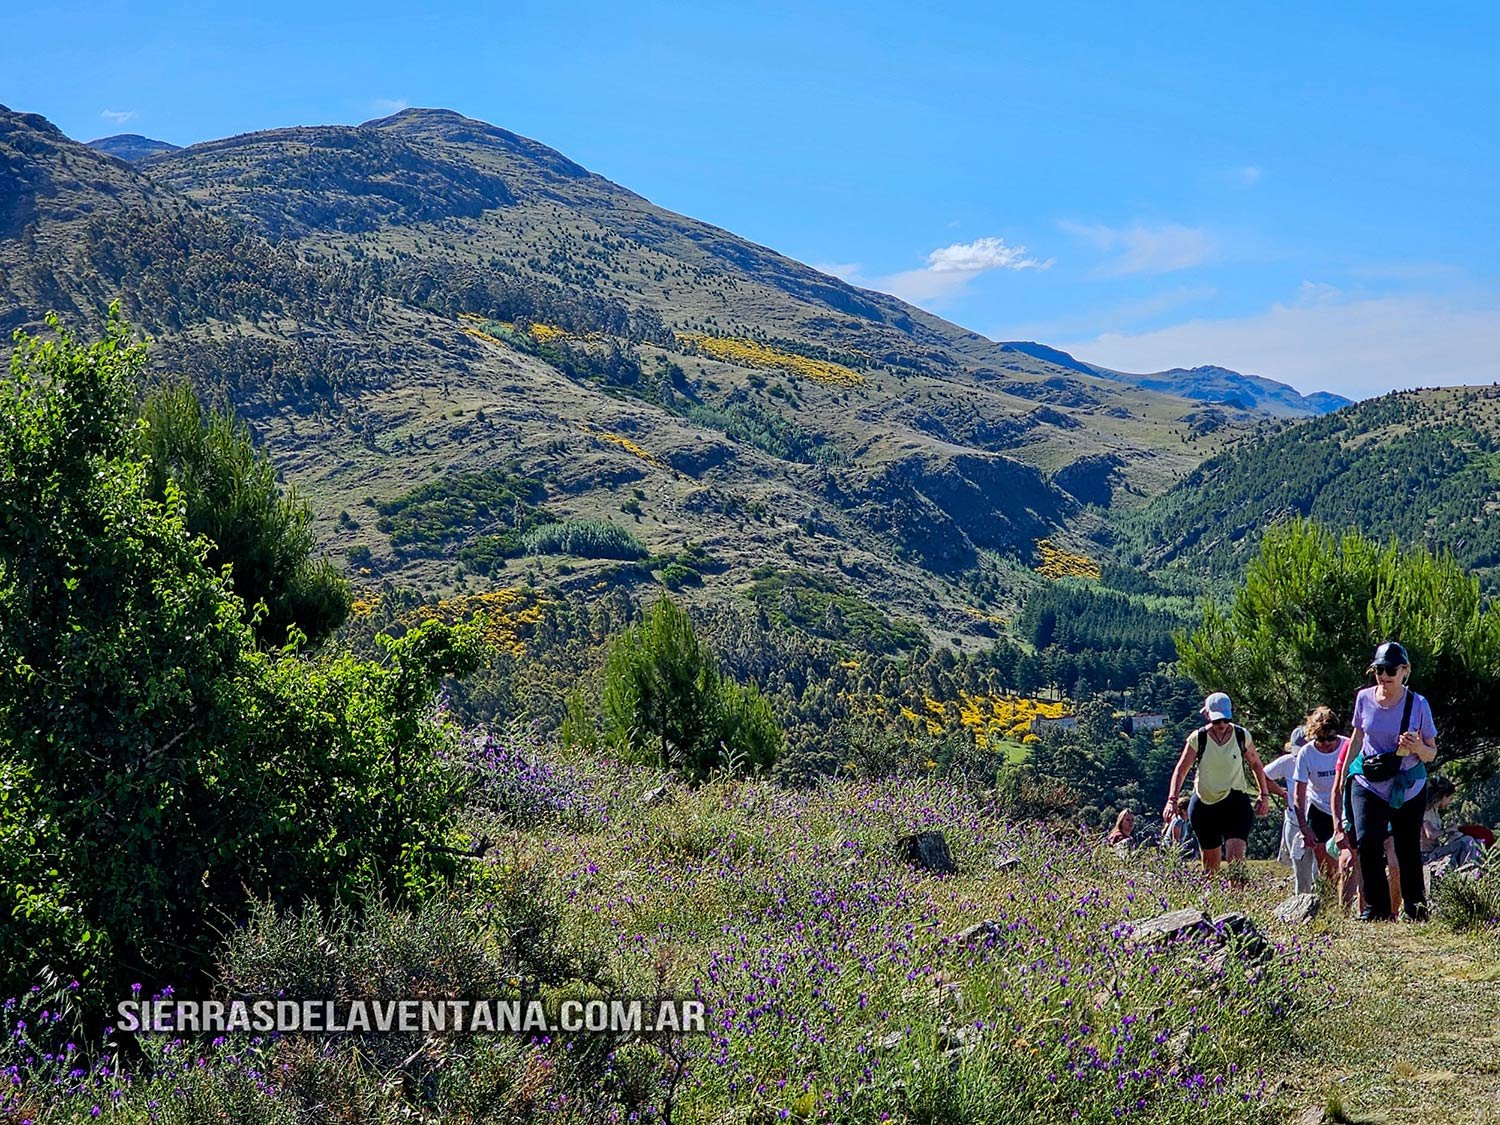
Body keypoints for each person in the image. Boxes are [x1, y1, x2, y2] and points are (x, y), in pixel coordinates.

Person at [1332, 642, 1437, 922]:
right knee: (1367, 841)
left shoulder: (1419, 704)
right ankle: (1375, 909)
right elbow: (1357, 737)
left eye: (1391, 669)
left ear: (1405, 671)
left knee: (1406, 848)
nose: (1384, 675)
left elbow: (1431, 752)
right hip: (1368, 780)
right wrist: (1343, 776)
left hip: (1407, 785)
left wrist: (1415, 747)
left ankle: (1416, 909)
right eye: (1379, 669)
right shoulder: (1364, 698)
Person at [1162, 693, 1272, 874]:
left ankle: (1238, 900)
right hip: (1205, 806)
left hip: (1235, 803)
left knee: (1236, 863)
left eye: (1225, 719)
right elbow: (1181, 770)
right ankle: (1214, 900)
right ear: (1207, 716)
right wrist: (1172, 800)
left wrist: (1264, 794)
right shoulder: (1198, 738)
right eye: (1216, 720)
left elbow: (1256, 764)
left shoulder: (1241, 735)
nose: (1221, 724)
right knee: (1210, 868)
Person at [1289, 706, 1344, 894]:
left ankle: (1349, 899)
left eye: (1331, 738)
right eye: (1321, 739)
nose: (1327, 743)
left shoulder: (1347, 746)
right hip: (1319, 808)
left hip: (1345, 809)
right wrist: (1304, 827)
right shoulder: (1306, 753)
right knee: (1324, 861)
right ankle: (1329, 899)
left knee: (1348, 859)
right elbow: (1299, 794)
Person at [1160, 794, 1197, 858]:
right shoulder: (1179, 821)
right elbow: (1175, 841)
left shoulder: (1184, 822)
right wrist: (1176, 856)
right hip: (1168, 850)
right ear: (1183, 811)